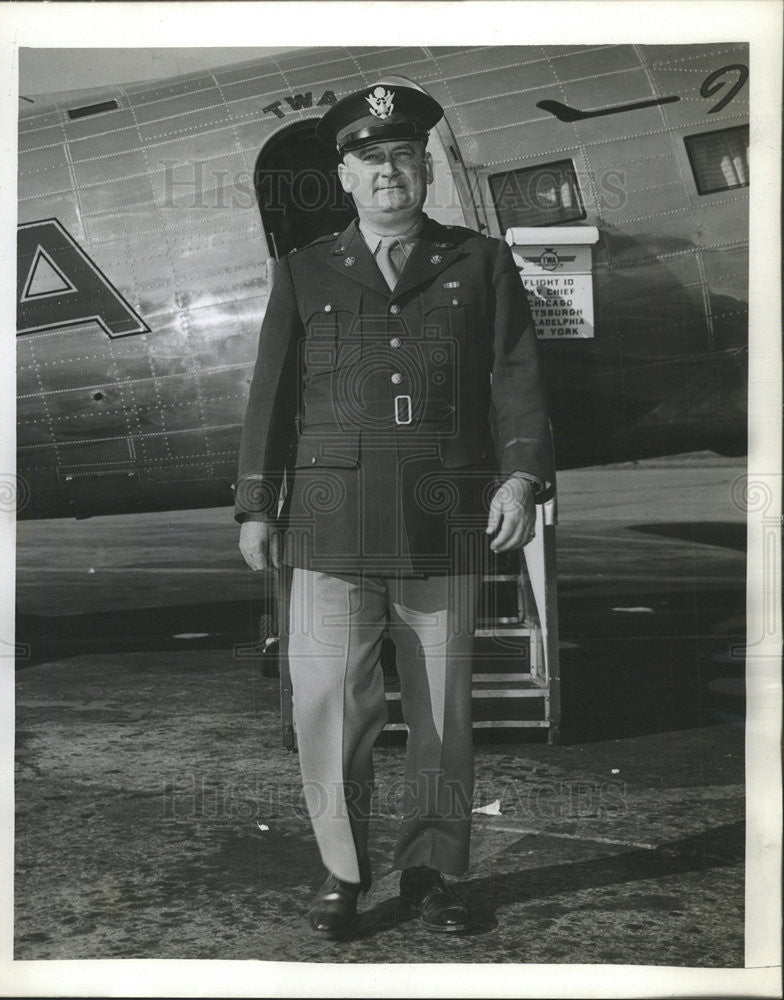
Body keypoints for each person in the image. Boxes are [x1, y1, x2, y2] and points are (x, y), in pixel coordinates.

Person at [236, 83, 553, 938]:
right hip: (330, 521)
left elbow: (516, 378)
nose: (389, 174)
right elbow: (271, 397)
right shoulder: (303, 271)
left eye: (404, 158)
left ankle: (436, 872)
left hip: (442, 517)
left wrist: (520, 480)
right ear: (344, 174)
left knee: (443, 717)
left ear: (425, 169)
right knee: (328, 707)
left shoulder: (480, 262)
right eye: (370, 159)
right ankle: (343, 873)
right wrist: (257, 506)